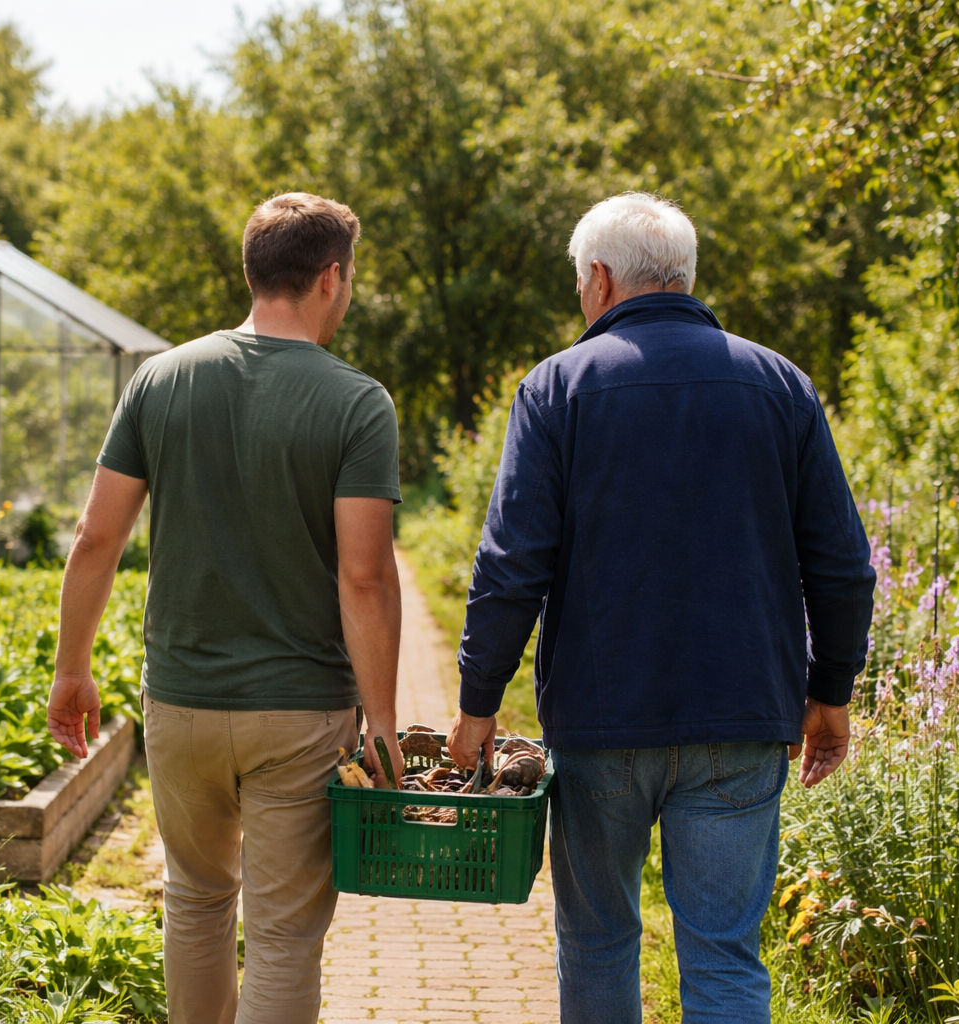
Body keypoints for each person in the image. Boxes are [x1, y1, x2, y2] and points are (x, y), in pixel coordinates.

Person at [446, 192, 875, 1023]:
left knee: (601, 942)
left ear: (600, 279)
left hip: (602, 725)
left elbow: (511, 565)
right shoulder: (779, 384)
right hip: (742, 718)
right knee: (723, 955)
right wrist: (833, 692)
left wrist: (477, 705)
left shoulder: (557, 388)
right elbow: (843, 565)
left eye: (579, 282)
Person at [46, 191, 403, 1024]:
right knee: (282, 935)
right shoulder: (357, 403)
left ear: (252, 271)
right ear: (330, 278)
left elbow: (96, 539)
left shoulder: (159, 380)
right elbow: (364, 577)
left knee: (197, 901)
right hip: (299, 715)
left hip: (181, 702)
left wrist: (73, 667)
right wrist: (381, 718)